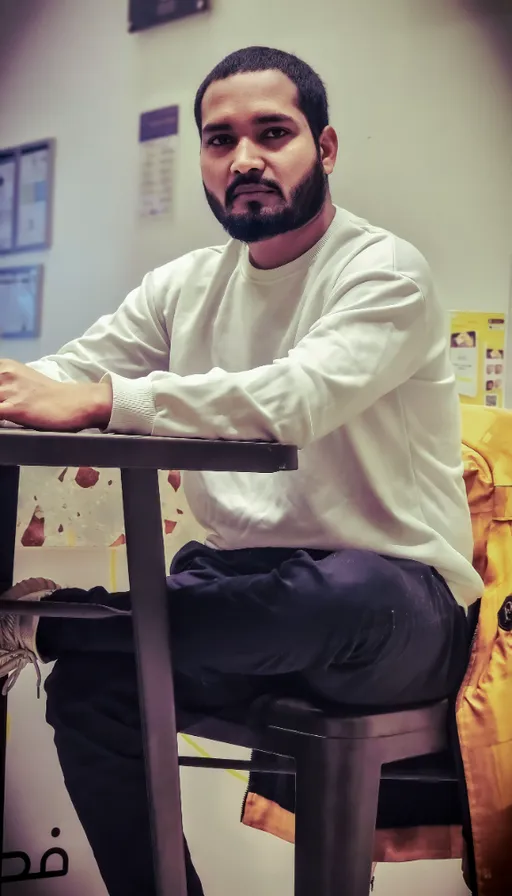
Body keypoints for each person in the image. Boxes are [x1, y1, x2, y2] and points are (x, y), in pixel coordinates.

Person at [0, 46, 482, 896]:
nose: (246, 159)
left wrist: (103, 399)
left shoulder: (384, 272)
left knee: (334, 593)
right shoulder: (184, 285)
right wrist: (34, 390)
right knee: (94, 691)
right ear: (204, 163)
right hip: (248, 596)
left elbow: (288, 401)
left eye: (273, 133)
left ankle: (47, 625)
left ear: (325, 149)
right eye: (220, 141)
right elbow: (62, 380)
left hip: (397, 609)